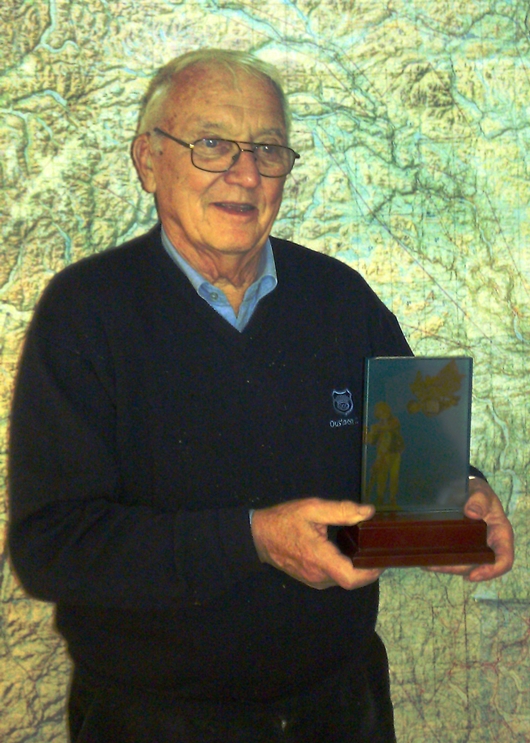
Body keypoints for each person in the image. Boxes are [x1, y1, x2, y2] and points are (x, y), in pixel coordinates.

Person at [7, 49, 514, 743]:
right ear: (149, 160)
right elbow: (51, 548)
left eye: (268, 149)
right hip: (157, 719)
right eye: (212, 144)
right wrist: (252, 540)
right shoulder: (84, 314)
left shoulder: (341, 296)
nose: (245, 174)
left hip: (342, 705)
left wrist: (460, 494)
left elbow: (413, 461)